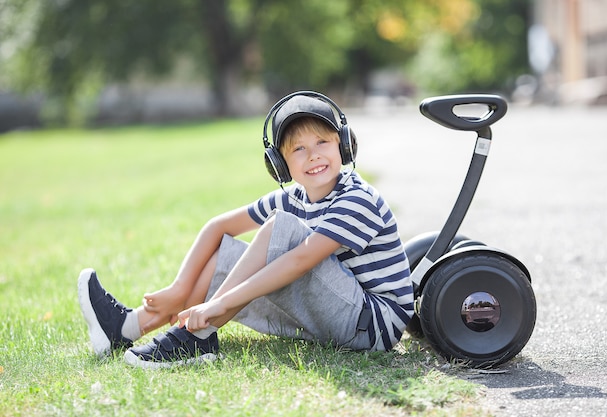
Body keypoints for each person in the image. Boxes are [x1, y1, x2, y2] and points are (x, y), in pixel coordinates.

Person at [78, 91, 414, 369]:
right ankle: (131, 328)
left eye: (322, 142)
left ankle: (198, 332)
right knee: (224, 257)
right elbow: (219, 227)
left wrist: (217, 305)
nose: (313, 156)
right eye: (298, 149)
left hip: (371, 326)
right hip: (338, 313)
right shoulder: (295, 196)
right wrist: (180, 290)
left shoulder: (357, 198)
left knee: (281, 228)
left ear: (343, 145)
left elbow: (299, 261)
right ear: (279, 164)